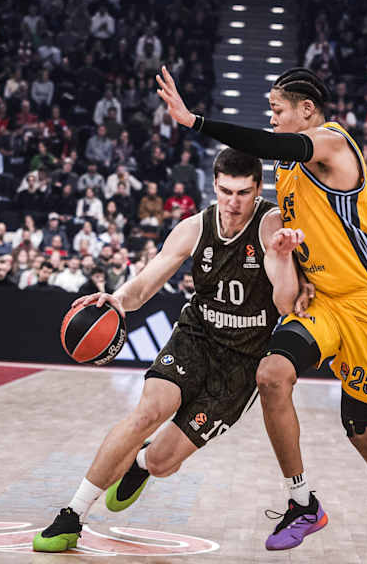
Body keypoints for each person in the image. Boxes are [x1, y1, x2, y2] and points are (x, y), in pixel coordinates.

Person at [156, 66, 367, 554]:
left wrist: (194, 121)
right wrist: (293, 264)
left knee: (359, 428)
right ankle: (302, 501)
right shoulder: (286, 171)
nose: (273, 120)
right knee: (271, 376)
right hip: (323, 303)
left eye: (277, 111)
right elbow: (307, 230)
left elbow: (275, 146)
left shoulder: (331, 143)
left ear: (306, 109)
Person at [33, 149, 302, 552]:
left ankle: (141, 463)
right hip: (196, 336)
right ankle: (72, 515)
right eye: (226, 191)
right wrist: (119, 299)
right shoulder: (194, 227)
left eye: (243, 193)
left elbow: (284, 305)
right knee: (148, 411)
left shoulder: (271, 226)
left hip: (242, 361)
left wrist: (281, 257)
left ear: (258, 189)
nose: (233, 202)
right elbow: (146, 284)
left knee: (162, 462)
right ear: (213, 185)